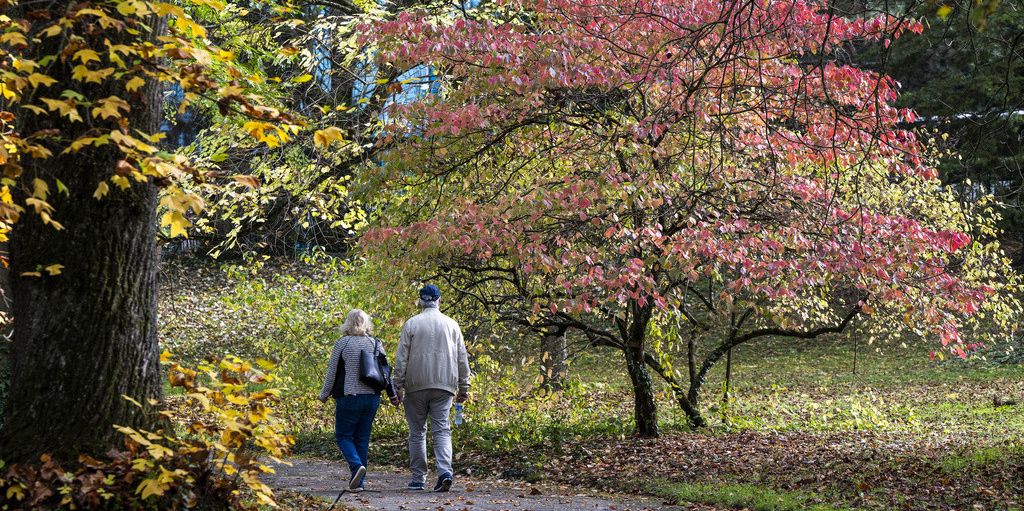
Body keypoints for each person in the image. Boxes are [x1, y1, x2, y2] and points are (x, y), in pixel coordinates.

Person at [392, 284, 471, 492]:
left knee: (417, 432)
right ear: (439, 300)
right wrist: (464, 386)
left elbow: (402, 359)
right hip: (445, 385)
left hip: (415, 385)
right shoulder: (452, 325)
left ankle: (418, 479)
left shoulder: (411, 324)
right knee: (442, 430)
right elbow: (462, 358)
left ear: (420, 301)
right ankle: (445, 471)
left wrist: (397, 386)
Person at [318, 309, 399, 491]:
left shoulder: (342, 344)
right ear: (366, 323)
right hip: (372, 398)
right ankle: (358, 483)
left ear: (347, 323)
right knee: (362, 439)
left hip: (349, 397)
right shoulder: (376, 343)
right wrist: (392, 395)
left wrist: (323, 395)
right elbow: (386, 373)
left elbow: (332, 373)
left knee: (343, 436)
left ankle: (356, 466)